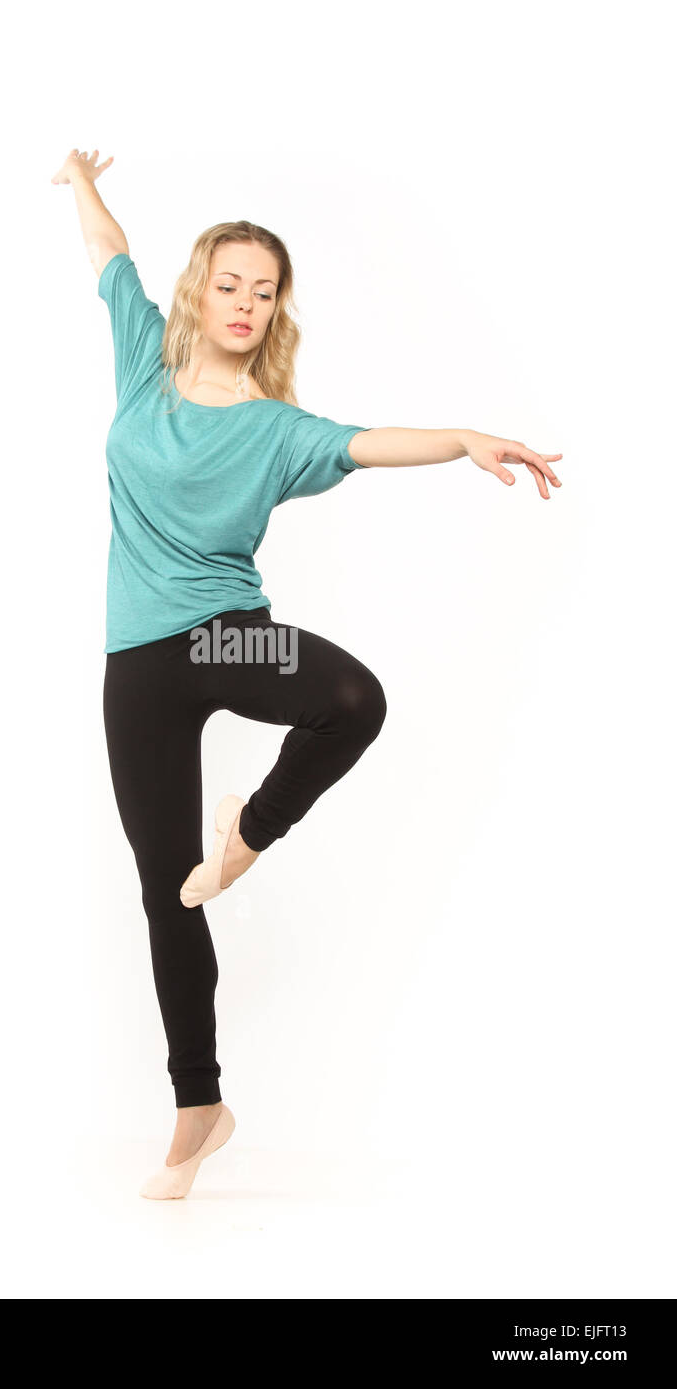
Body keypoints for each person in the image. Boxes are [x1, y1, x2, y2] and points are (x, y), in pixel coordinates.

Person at [52, 148, 563, 1199]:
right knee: (165, 893)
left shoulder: (280, 430)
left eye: (264, 290)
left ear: (277, 310)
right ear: (200, 290)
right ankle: (199, 1107)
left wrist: (465, 437)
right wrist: (78, 179)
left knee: (348, 698)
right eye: (229, 283)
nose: (245, 302)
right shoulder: (141, 360)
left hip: (221, 638)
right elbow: (108, 254)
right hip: (137, 662)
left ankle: (249, 831)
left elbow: (370, 442)